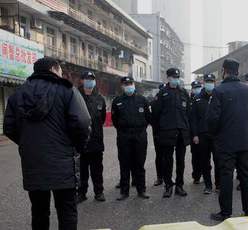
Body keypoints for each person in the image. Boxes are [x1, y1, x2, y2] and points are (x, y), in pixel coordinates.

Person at [4, 57, 91, 230]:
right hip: (63, 163)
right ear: (53, 69)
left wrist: (27, 144)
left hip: (33, 163)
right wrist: (76, 146)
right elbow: (82, 122)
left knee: (39, 212)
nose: (61, 74)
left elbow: (9, 127)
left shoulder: (18, 94)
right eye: (60, 70)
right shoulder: (67, 90)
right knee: (66, 211)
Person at [207, 59, 248, 221]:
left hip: (226, 142)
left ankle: (226, 212)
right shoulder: (246, 90)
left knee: (226, 176)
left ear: (224, 71)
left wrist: (214, 134)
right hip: (244, 141)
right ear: (237, 72)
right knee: (246, 175)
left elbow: (212, 118)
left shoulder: (219, 91)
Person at [152, 68, 191, 198]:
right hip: (167, 132)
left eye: (177, 77)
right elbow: (155, 115)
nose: (176, 79)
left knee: (181, 161)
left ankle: (179, 185)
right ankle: (168, 186)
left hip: (181, 132)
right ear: (168, 78)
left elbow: (189, 113)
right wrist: (158, 132)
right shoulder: (162, 93)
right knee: (167, 160)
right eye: (173, 77)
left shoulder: (184, 93)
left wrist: (188, 131)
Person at [111, 76, 151, 201]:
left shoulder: (142, 100)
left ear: (134, 84)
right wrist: (123, 130)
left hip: (140, 135)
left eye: (130, 83)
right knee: (124, 164)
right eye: (126, 84)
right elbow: (114, 120)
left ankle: (141, 190)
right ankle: (124, 191)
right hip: (124, 136)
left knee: (139, 164)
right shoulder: (117, 101)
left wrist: (140, 129)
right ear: (122, 86)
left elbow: (148, 117)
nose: (128, 86)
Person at [77, 71, 106, 203]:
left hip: (96, 141)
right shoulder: (75, 96)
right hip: (80, 141)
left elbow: (103, 119)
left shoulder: (100, 98)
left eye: (92, 79)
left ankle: (99, 192)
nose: (90, 81)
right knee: (81, 170)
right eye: (87, 79)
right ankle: (81, 193)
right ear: (82, 81)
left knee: (97, 169)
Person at [191, 74, 220, 194]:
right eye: (207, 81)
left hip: (217, 135)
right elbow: (193, 119)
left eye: (211, 81)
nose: (209, 83)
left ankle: (218, 184)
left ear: (215, 82)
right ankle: (208, 185)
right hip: (202, 135)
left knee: (218, 161)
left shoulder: (219, 96)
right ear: (203, 82)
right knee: (204, 161)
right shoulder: (197, 98)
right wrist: (195, 134)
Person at [152, 83, 166, 186]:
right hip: (158, 132)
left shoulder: (169, 103)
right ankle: (159, 177)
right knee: (159, 155)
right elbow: (152, 118)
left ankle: (168, 176)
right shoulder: (154, 103)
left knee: (168, 156)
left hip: (168, 132)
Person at [190, 80, 203, 184]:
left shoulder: (204, 98)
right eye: (195, 87)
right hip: (193, 132)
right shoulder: (188, 99)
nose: (197, 89)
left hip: (204, 131)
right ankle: (196, 176)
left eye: (198, 87)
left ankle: (205, 173)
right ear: (192, 89)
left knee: (205, 155)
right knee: (195, 155)